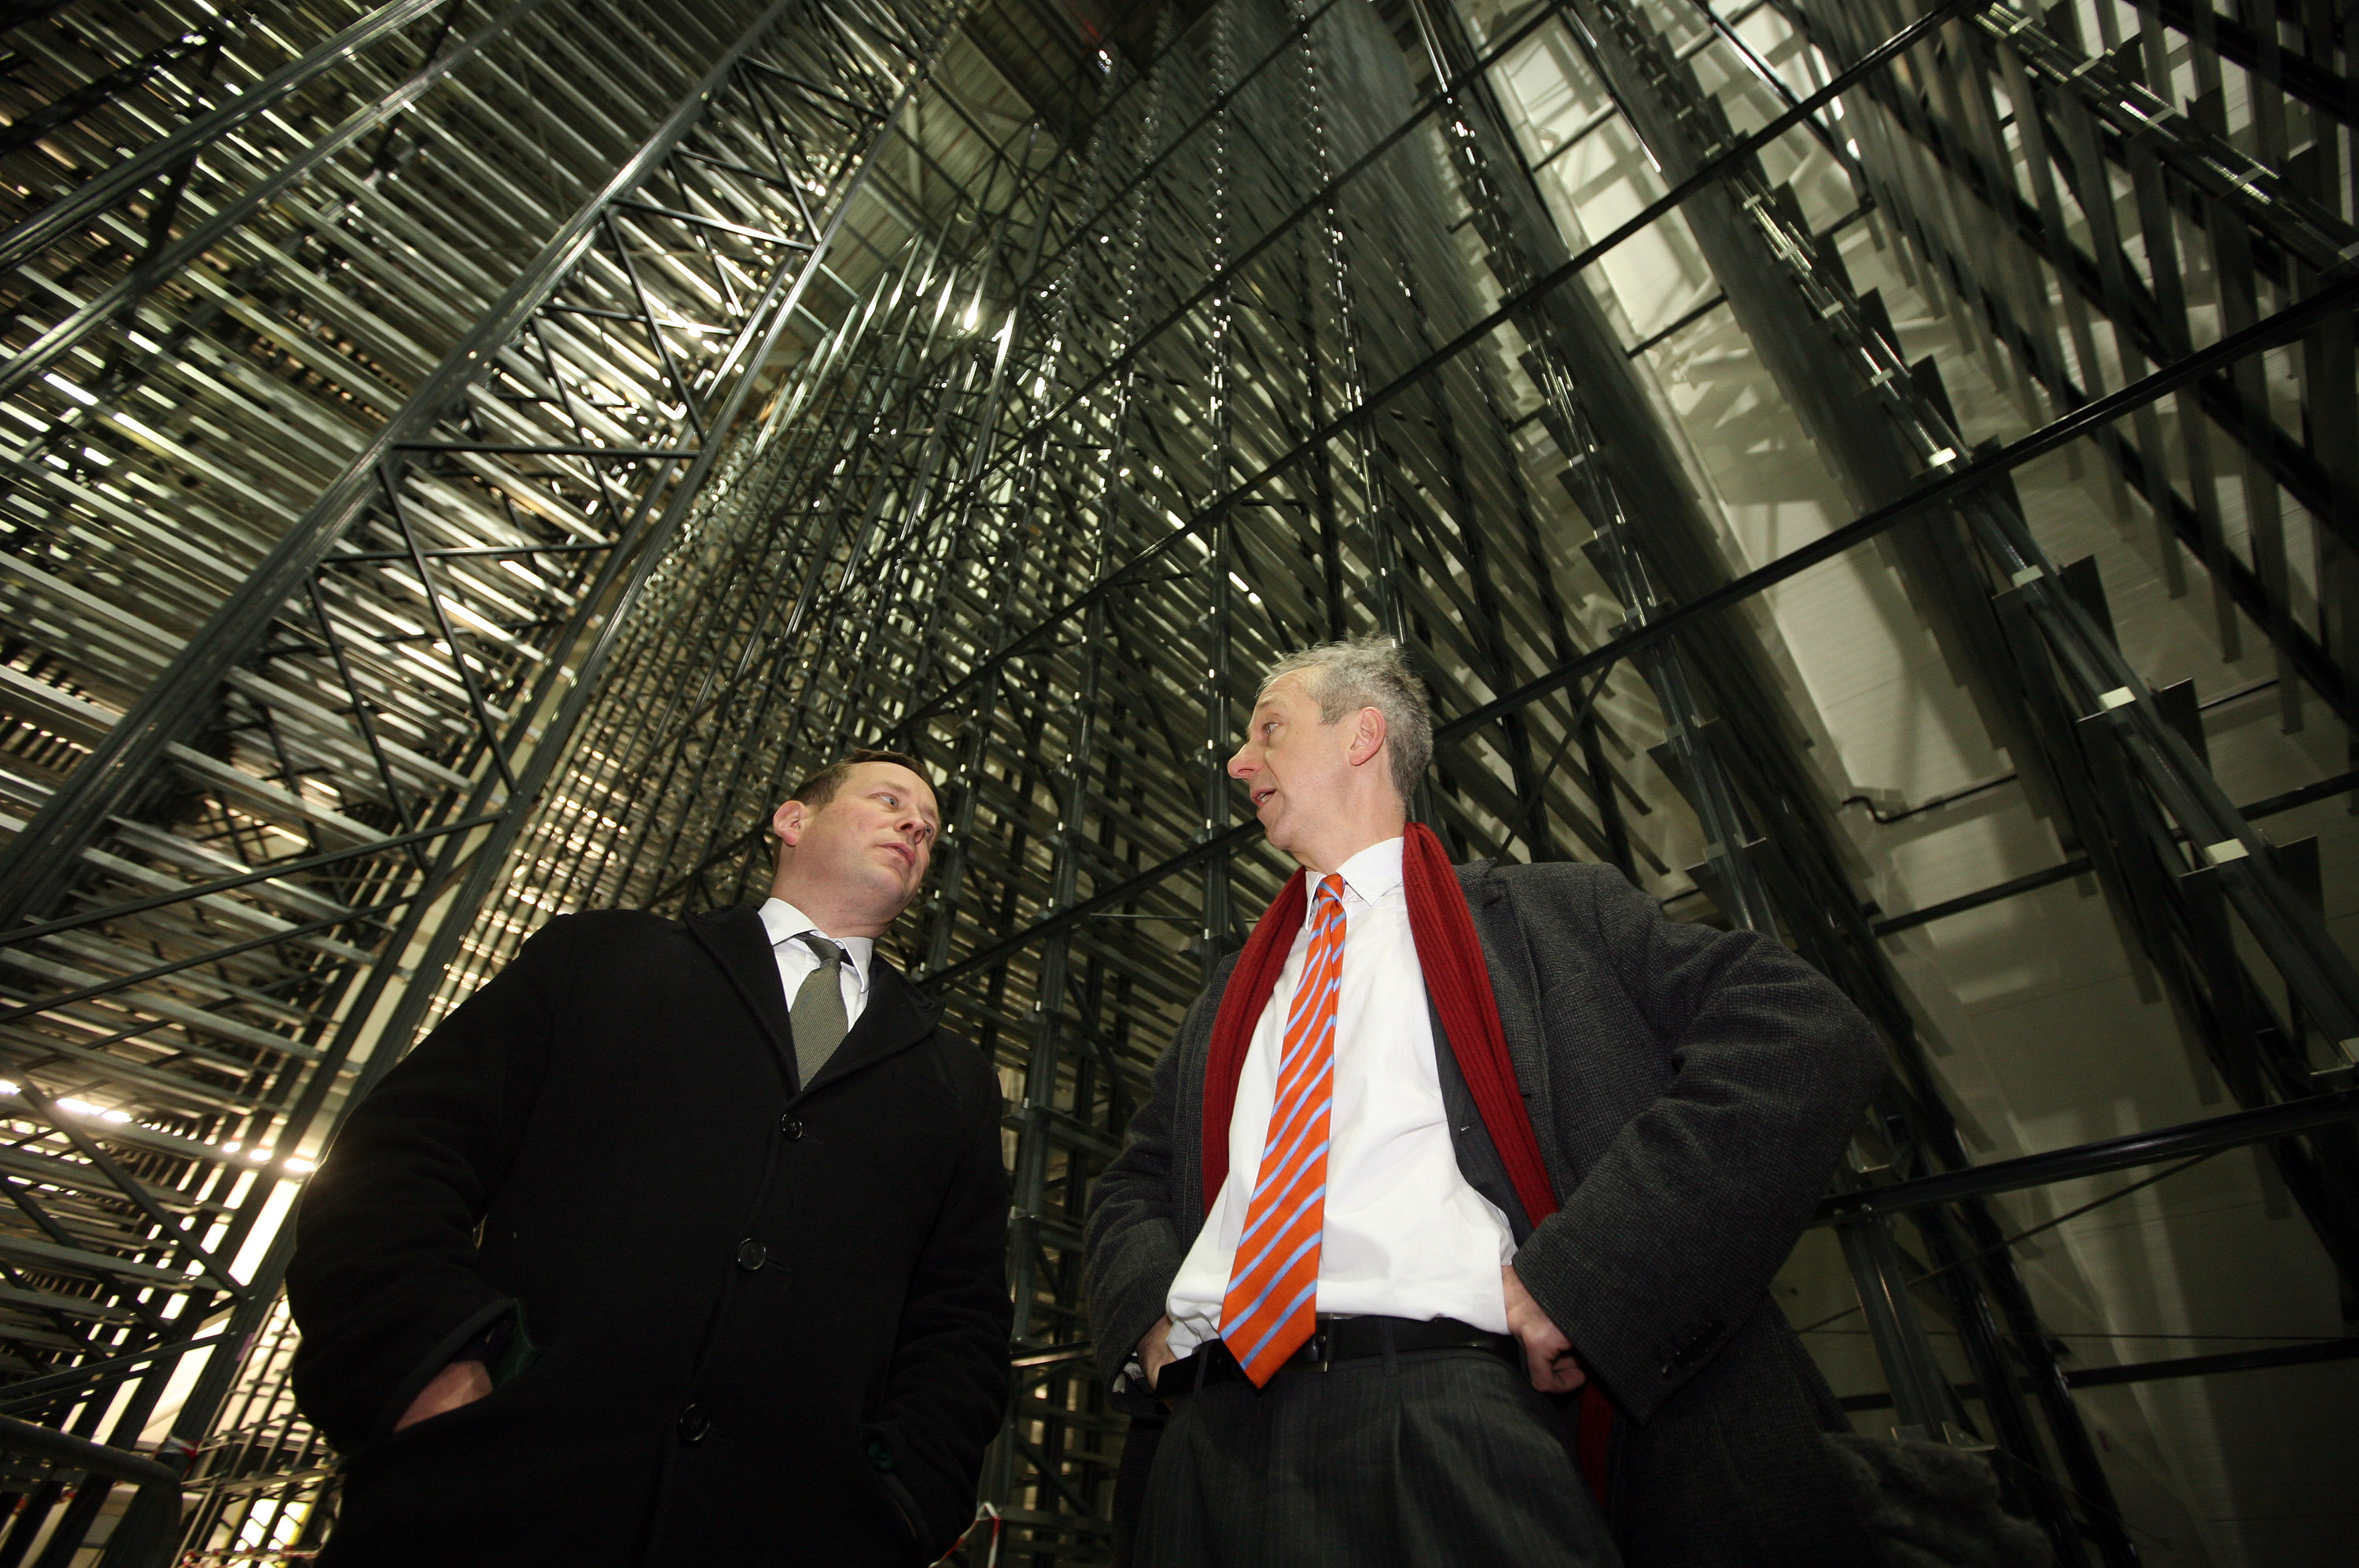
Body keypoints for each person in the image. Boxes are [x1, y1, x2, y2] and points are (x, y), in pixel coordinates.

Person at [1084, 638, 1889, 1568]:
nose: (1238, 760)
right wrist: (1150, 1320)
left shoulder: (1552, 916)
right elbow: (1132, 1180)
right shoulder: (1227, 997)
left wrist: (1586, 1280)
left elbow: (1800, 1028)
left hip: (1445, 1418)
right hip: (1206, 1442)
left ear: (1364, 734)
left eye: (1269, 728)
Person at [289, 749, 1011, 1567]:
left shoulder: (958, 1078)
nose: (918, 824)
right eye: (889, 800)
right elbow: (398, 1158)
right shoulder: (600, 958)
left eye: (930, 825)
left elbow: (963, 1315)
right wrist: (430, 1364)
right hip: (487, 1513)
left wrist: (901, 1501)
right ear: (792, 820)